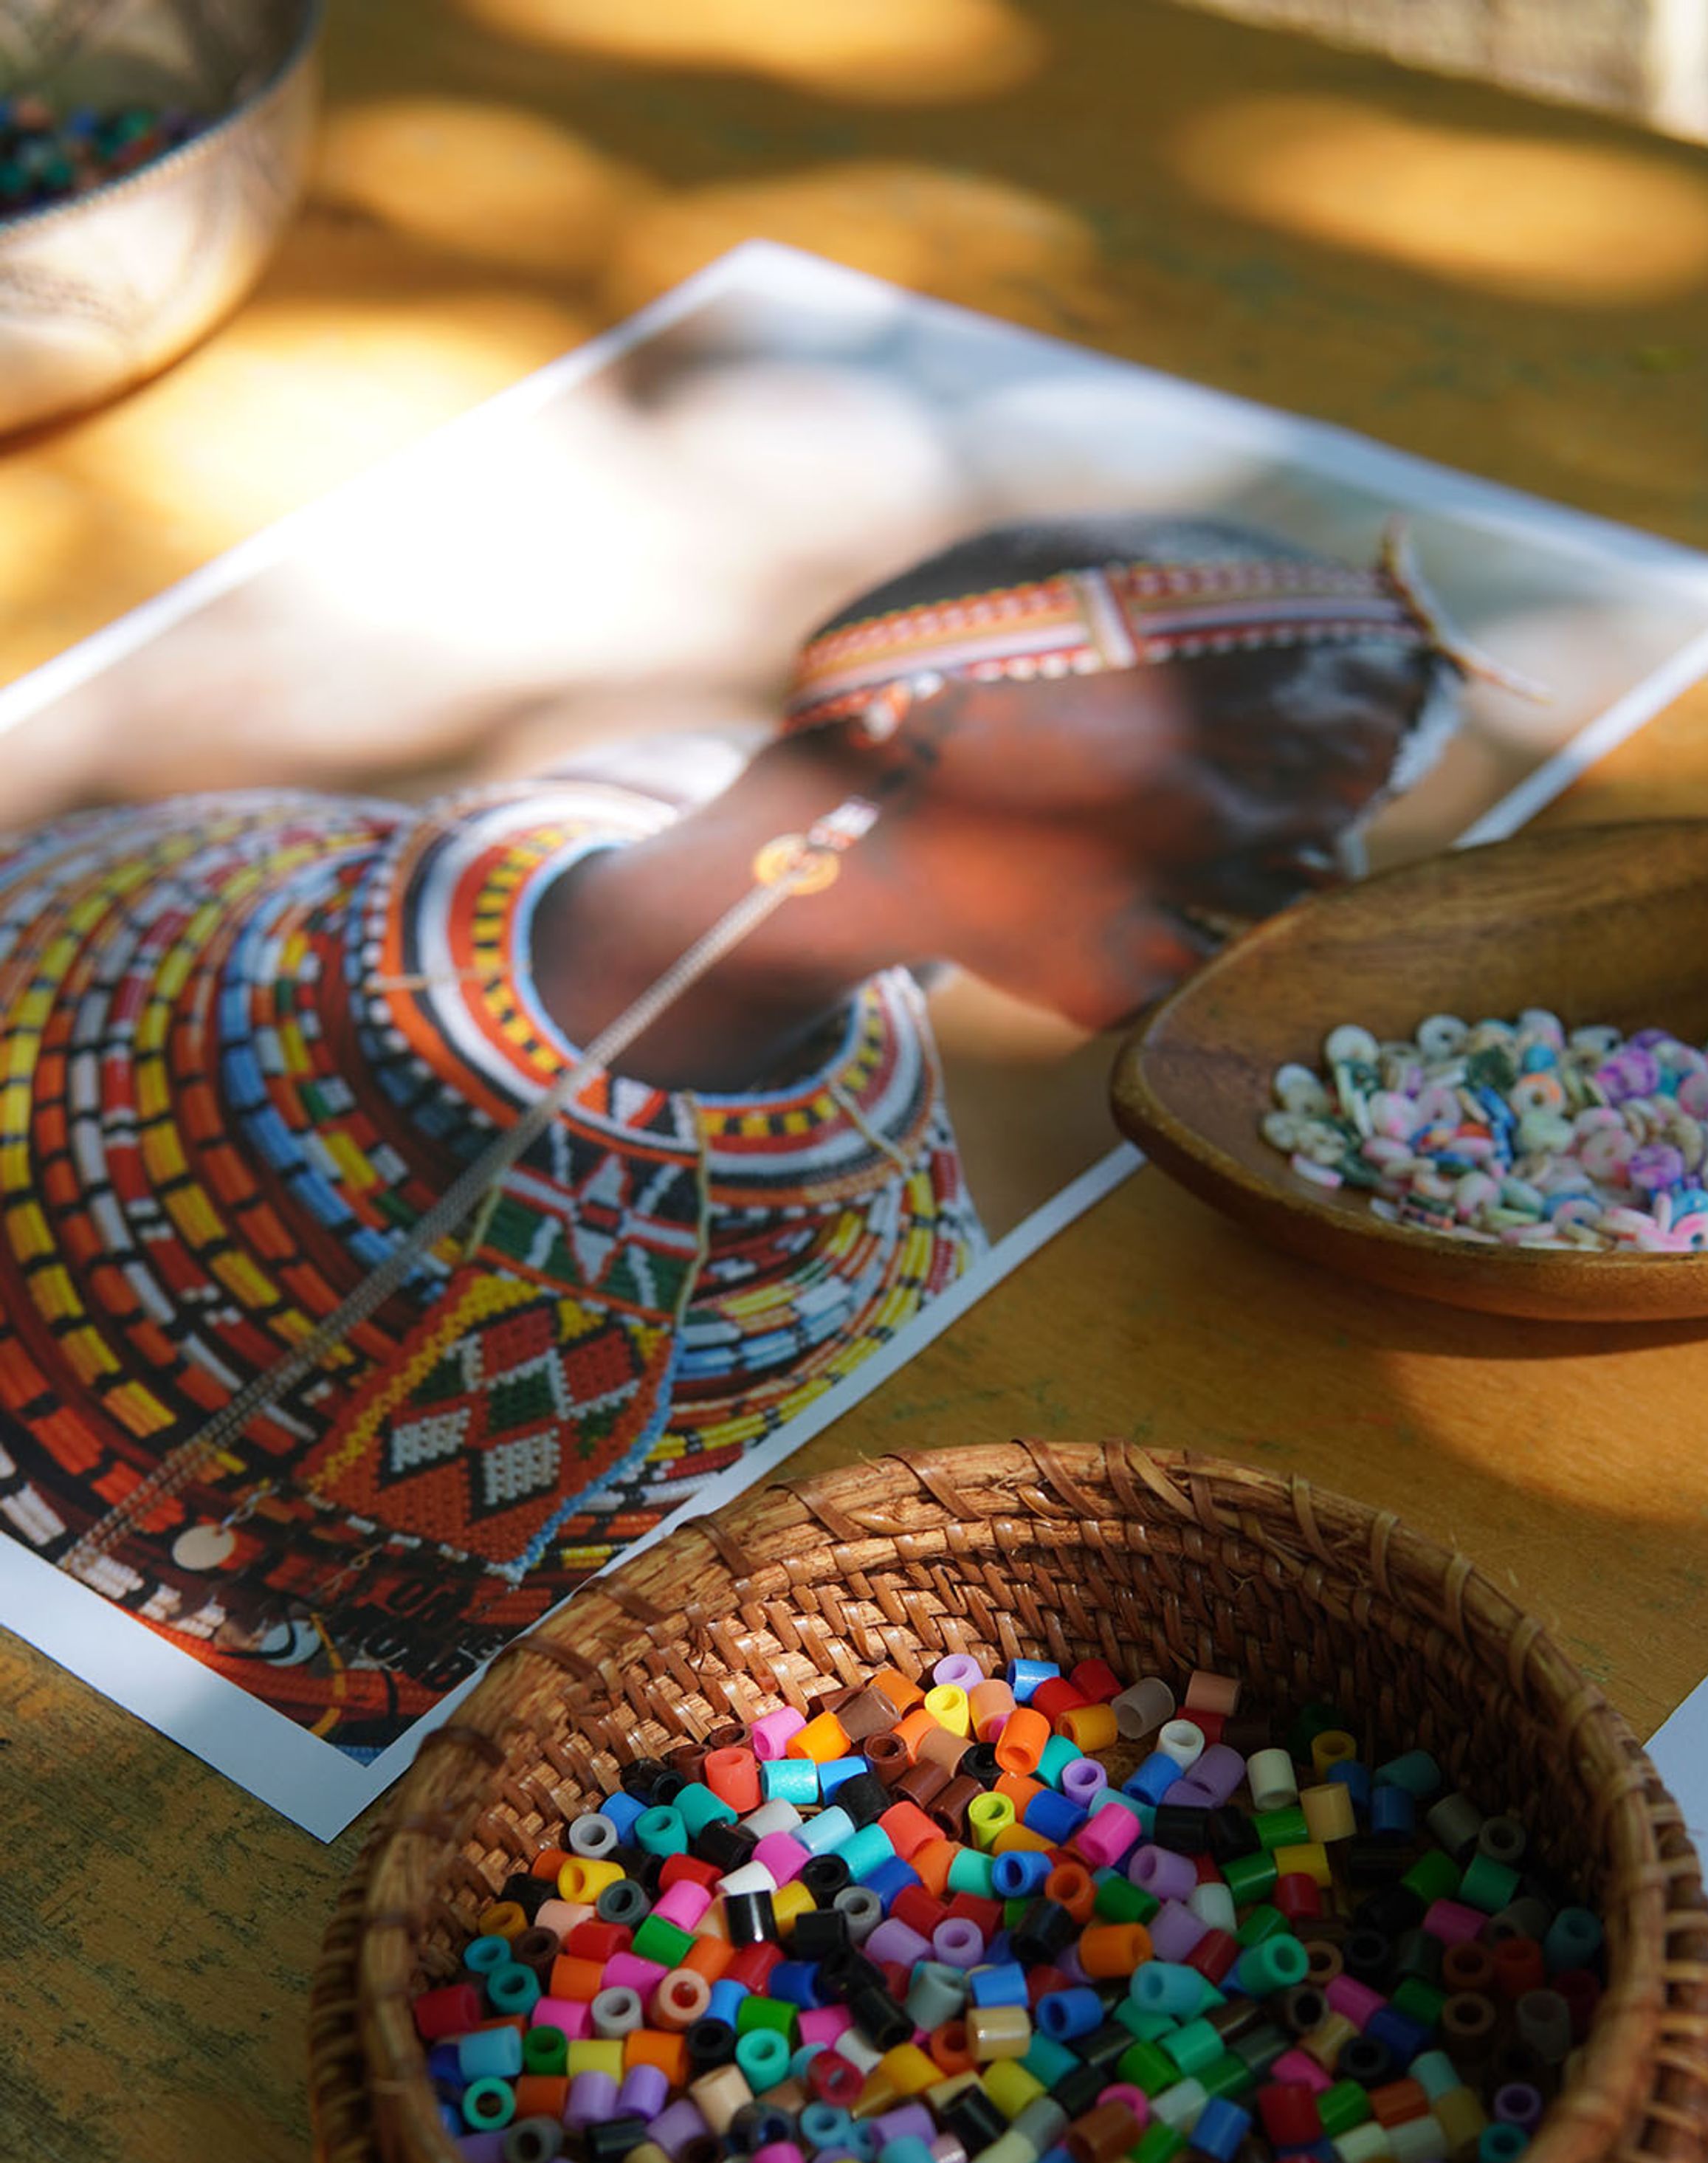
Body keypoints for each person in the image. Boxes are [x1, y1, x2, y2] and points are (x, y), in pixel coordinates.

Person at [0, 510, 1461, 1753]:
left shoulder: (885, 1264)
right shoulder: (157, 906)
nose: (1328, 861)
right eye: (1274, 759)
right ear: (931, 707)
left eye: (1357, 809)